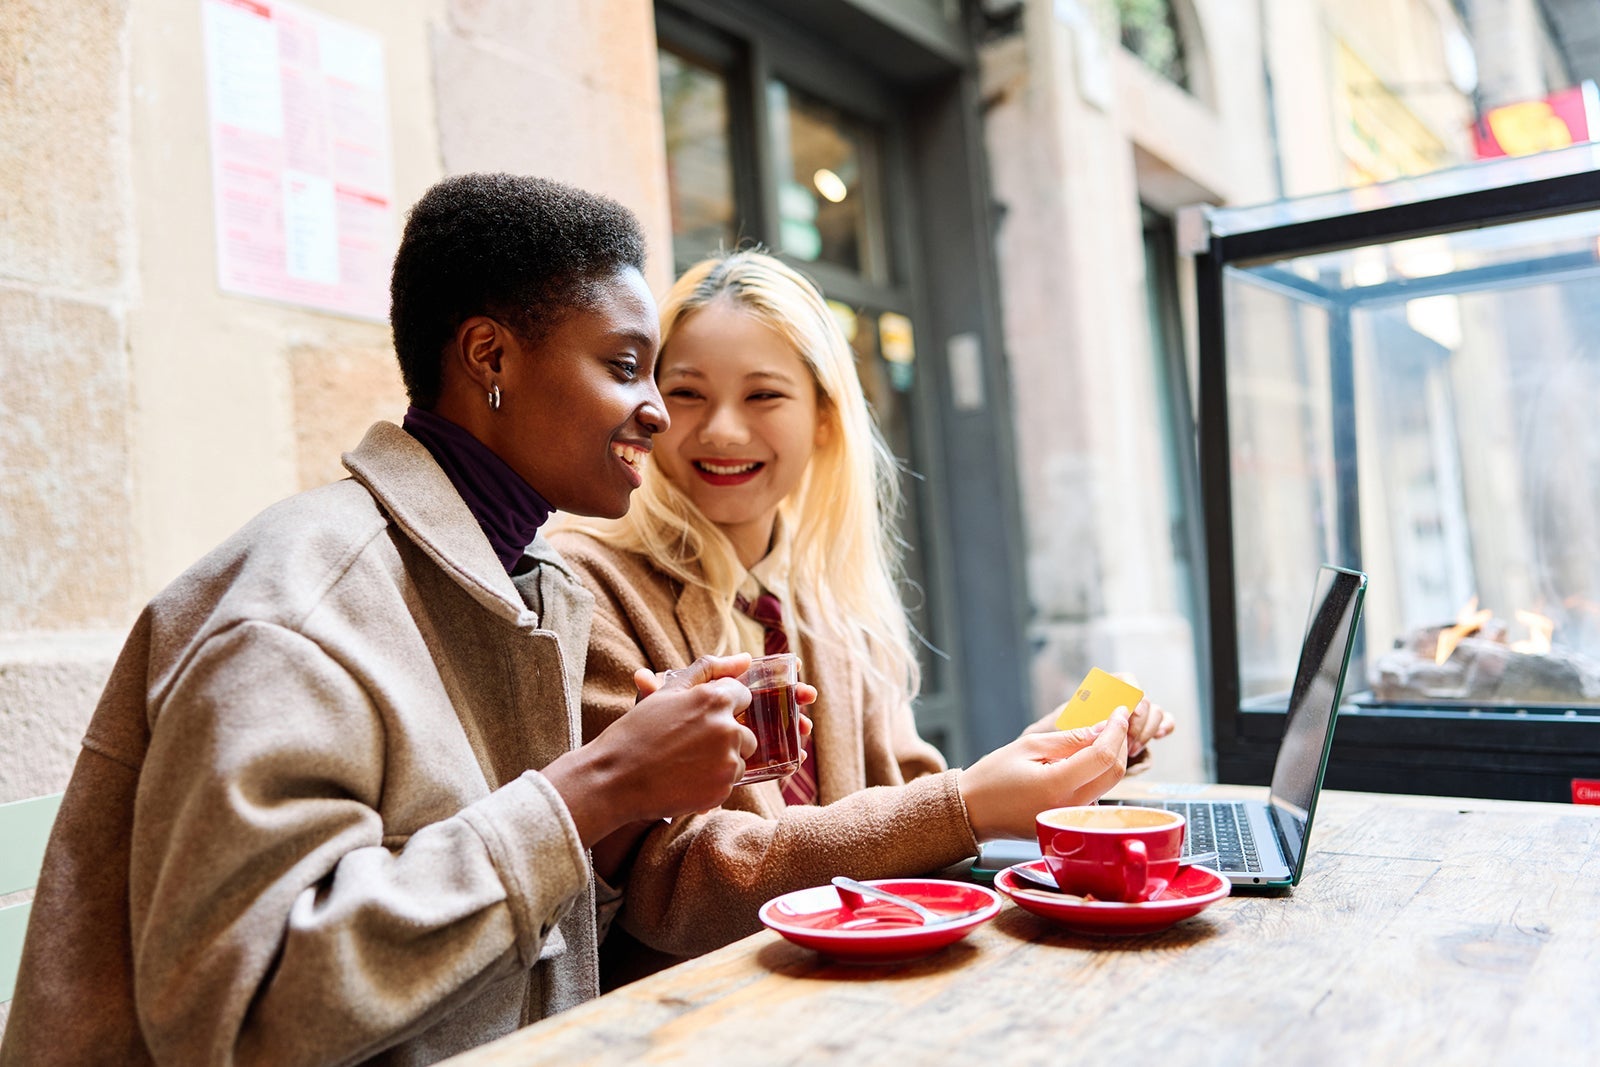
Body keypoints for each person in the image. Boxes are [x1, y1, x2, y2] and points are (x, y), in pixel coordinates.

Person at [0, 175, 761, 1067]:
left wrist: (628, 800)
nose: (659, 411)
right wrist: (594, 784)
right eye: (625, 366)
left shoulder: (529, 584)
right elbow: (246, 1017)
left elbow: (503, 957)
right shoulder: (296, 604)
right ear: (489, 357)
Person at [549, 249, 1174, 978]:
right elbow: (669, 890)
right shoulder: (587, 584)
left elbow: (910, 812)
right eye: (686, 392)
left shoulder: (831, 597)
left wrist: (1046, 762)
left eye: (763, 396)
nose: (721, 429)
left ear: (823, 418)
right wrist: (968, 801)